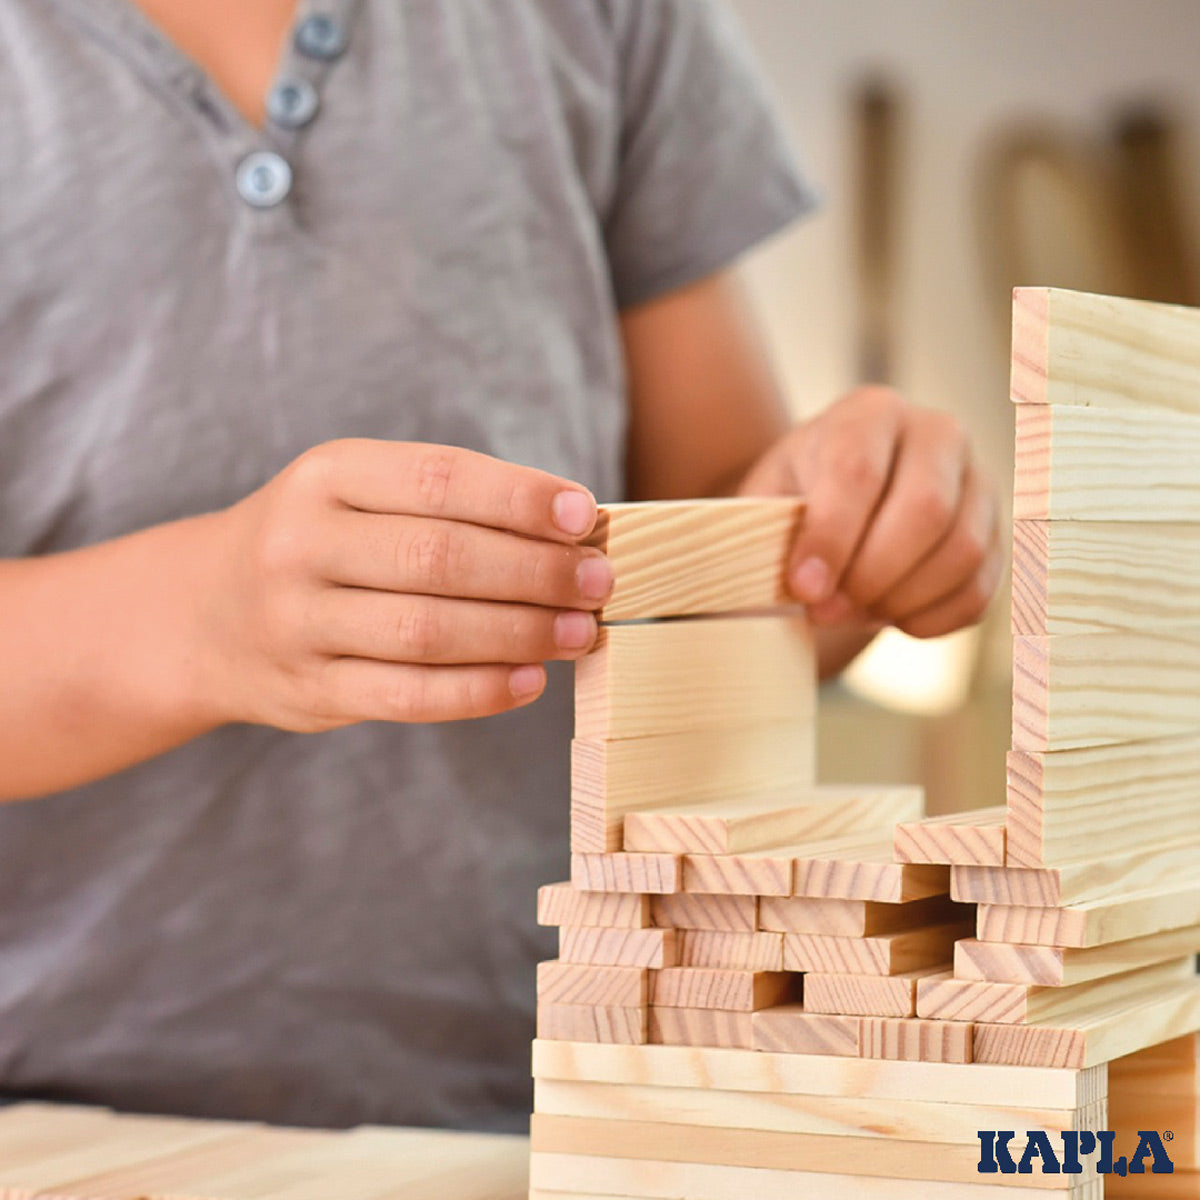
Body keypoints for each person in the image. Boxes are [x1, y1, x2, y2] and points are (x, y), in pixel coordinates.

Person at [0, 0, 1002, 1133]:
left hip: (565, 1094)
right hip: (50, 1120)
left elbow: (734, 577)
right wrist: (197, 617)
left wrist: (854, 532)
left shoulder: (604, 23)